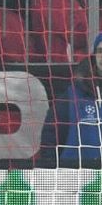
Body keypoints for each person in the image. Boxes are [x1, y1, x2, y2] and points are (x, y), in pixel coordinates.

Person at [40, 33, 102, 166]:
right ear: (94, 56)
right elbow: (50, 140)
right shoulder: (71, 98)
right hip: (78, 182)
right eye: (100, 51)